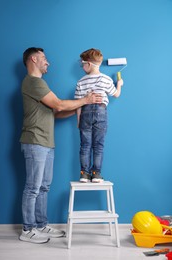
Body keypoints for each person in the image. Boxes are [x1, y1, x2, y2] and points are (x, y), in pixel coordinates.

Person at [19, 47, 102, 244]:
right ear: (33, 59)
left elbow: (55, 112)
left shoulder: (40, 84)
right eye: (44, 59)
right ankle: (27, 229)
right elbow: (58, 104)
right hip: (34, 141)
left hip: (46, 142)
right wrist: (85, 99)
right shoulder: (33, 82)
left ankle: (40, 224)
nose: (48, 62)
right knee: (33, 187)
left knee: (44, 187)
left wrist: (79, 106)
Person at [74, 48, 124, 183]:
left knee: (85, 145)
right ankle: (96, 174)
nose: (81, 66)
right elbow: (116, 94)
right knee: (98, 145)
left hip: (85, 113)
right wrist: (119, 84)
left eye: (82, 64)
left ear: (88, 64)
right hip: (101, 113)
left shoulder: (81, 81)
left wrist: (79, 120)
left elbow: (78, 104)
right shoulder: (106, 79)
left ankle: (84, 174)